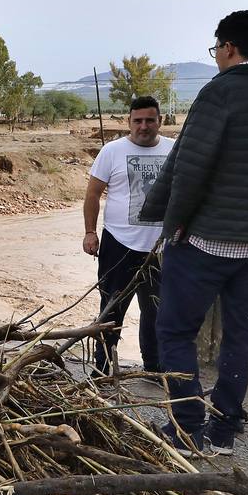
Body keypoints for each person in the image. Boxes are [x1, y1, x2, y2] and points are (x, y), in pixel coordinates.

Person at [139, 10, 248, 457]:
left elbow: (190, 168)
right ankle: (223, 430)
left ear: (229, 47)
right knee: (241, 331)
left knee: (176, 330)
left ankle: (187, 425)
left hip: (204, 242)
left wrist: (172, 225)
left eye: (216, 48)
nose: (216, 56)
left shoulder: (219, 93)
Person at [82, 96, 174, 375]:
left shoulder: (175, 150)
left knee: (157, 311)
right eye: (138, 121)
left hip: (161, 248)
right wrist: (89, 232)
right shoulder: (112, 151)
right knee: (112, 308)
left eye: (150, 120)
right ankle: (103, 367)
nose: (143, 126)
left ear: (160, 121)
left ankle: (154, 367)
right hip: (118, 245)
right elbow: (93, 194)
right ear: (129, 122)